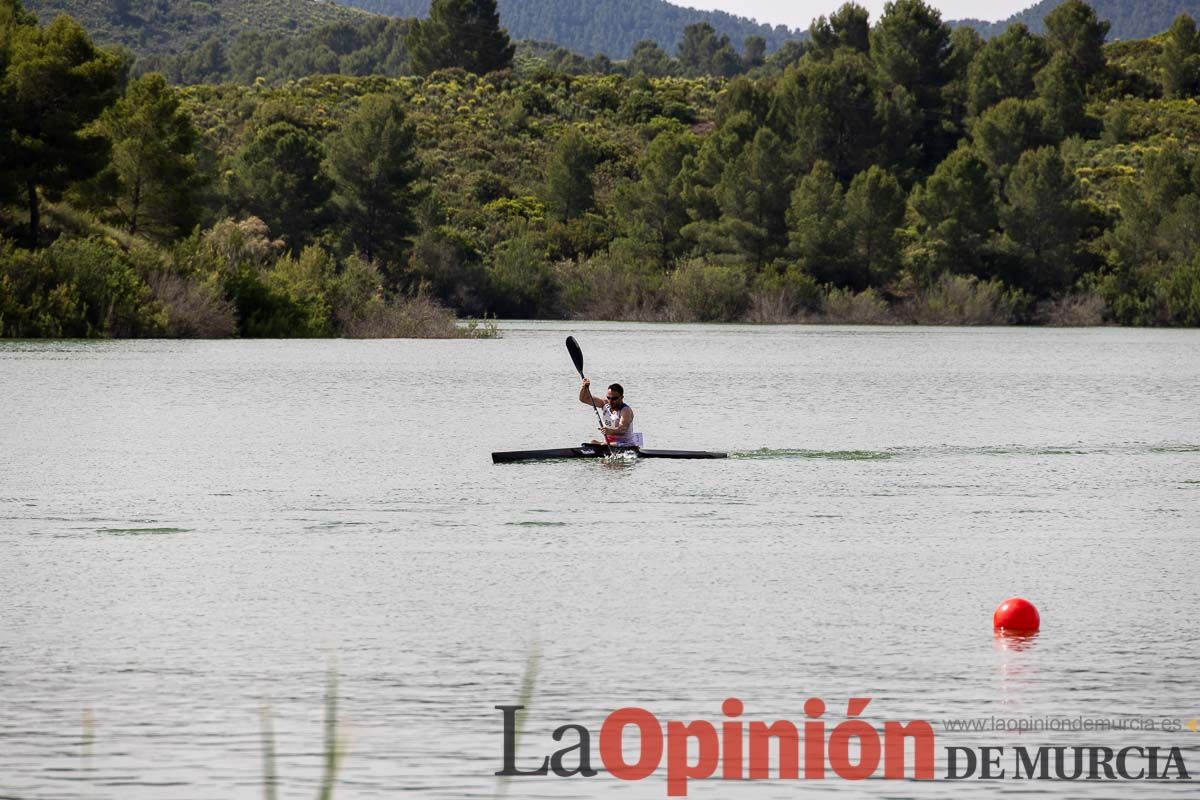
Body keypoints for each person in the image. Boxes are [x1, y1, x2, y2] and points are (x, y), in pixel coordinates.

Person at [579, 379, 641, 446]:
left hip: (625, 443)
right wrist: (584, 387)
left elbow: (622, 430)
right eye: (608, 398)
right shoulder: (604, 403)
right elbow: (584, 399)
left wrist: (609, 431)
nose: (610, 401)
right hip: (609, 442)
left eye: (614, 398)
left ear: (622, 397)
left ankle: (603, 445)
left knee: (600, 444)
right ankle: (602, 445)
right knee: (592, 442)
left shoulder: (625, 411)